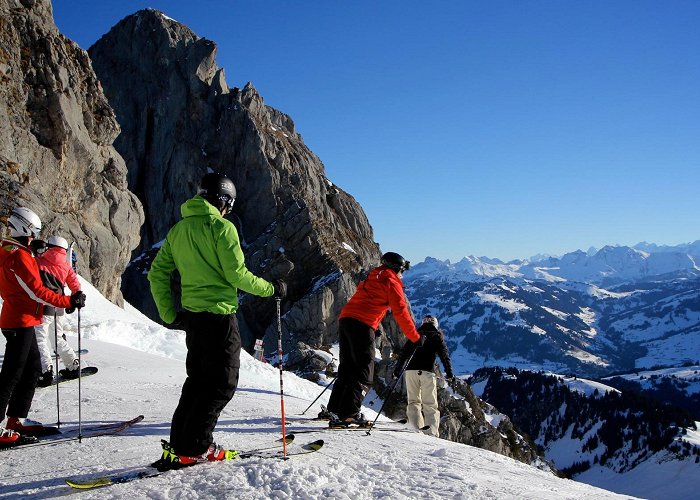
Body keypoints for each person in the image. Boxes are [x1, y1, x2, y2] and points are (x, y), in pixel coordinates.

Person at [148, 172, 286, 468]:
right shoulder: (222, 228)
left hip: (193, 320)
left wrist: (169, 313)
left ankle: (180, 444)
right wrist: (272, 288)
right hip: (220, 318)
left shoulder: (178, 230)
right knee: (222, 383)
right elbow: (236, 275)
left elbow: (157, 272)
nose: (228, 211)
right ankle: (195, 448)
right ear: (222, 200)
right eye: (229, 205)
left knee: (198, 381)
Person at [0, 208, 86, 444]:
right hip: (20, 320)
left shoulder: (10, 249)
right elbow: (36, 292)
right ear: (26, 229)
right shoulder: (17, 255)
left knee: (31, 369)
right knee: (12, 374)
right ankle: (4, 427)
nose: (35, 236)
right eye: (34, 232)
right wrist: (68, 300)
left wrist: (32, 252)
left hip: (21, 318)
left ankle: (15, 419)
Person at [324, 251, 422, 428]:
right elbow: (400, 311)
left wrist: (373, 327)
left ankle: (334, 409)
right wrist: (414, 337)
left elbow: (367, 302)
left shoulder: (374, 276)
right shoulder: (391, 281)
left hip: (346, 320)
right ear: (397, 268)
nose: (402, 274)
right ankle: (349, 414)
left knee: (347, 368)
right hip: (362, 324)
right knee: (363, 371)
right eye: (402, 270)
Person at [394, 314, 454, 437]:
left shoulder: (415, 335)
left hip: (410, 372)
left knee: (413, 401)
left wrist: (397, 370)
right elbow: (444, 357)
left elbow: (404, 354)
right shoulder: (437, 337)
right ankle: (431, 431)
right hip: (427, 372)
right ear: (435, 325)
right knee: (430, 403)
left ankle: (415, 427)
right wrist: (449, 374)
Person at [34, 235, 83, 386]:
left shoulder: (39, 261)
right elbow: (76, 287)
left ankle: (46, 371)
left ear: (49, 246)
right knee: (57, 338)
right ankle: (73, 365)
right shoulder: (66, 266)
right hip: (60, 307)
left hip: (44, 305)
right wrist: (73, 302)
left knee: (40, 339)